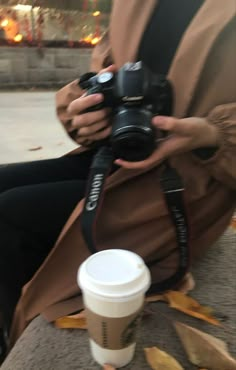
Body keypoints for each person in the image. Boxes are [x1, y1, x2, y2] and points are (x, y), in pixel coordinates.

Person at [0, 0, 235, 361]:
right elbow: (101, 74)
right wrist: (85, 108)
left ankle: (13, 330)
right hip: (116, 155)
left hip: (185, 184)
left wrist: (212, 135)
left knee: (11, 214)